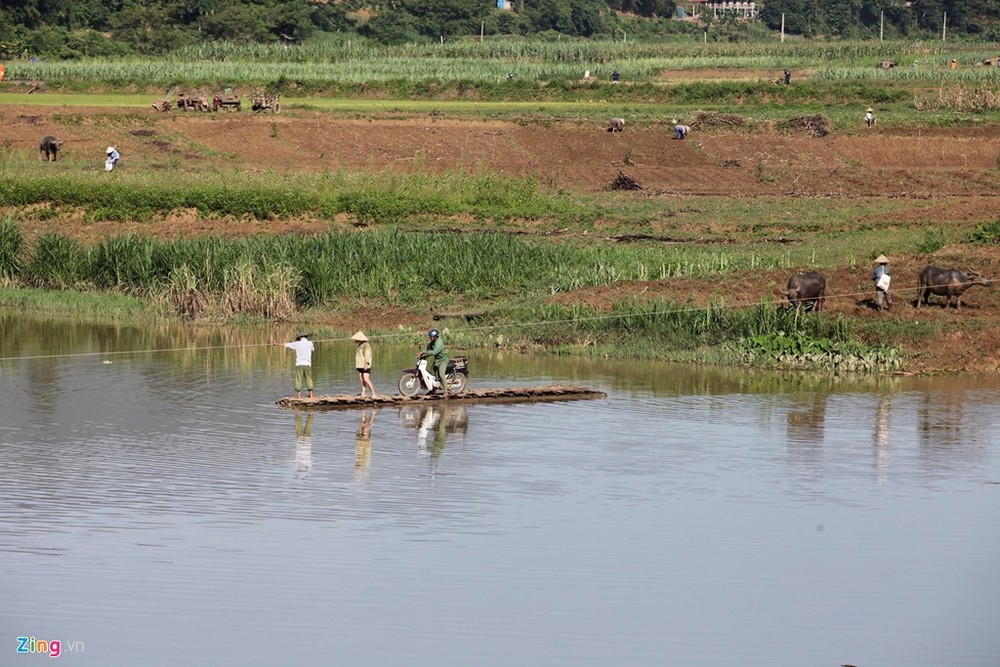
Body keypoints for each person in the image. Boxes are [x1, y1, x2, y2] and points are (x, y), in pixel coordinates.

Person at [275, 333, 314, 399]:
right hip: (307, 364)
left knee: (298, 379)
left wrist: (276, 344)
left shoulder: (296, 344)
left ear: (299, 338)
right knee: (308, 378)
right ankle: (311, 395)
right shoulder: (310, 343)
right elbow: (313, 349)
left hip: (299, 364)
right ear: (305, 337)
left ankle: (299, 396)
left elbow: (285, 345)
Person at [419, 329, 450, 396]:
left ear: (436, 337)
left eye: (432, 337)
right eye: (430, 337)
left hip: (443, 361)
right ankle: (434, 389)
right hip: (437, 360)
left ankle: (446, 391)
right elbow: (428, 348)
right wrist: (423, 352)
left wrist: (425, 353)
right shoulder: (432, 342)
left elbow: (434, 352)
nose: (430, 338)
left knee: (441, 374)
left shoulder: (439, 343)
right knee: (431, 374)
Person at [352, 330, 377, 398]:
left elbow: (367, 354)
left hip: (365, 365)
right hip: (360, 365)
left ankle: (373, 393)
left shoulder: (366, 345)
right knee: (361, 379)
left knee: (366, 379)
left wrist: (367, 363)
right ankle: (363, 393)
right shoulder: (360, 345)